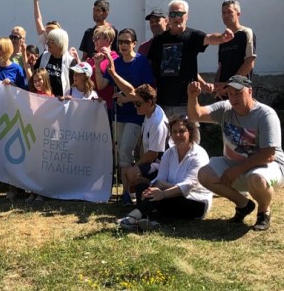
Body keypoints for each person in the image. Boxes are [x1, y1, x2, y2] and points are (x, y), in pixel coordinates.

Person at [189, 76, 284, 231]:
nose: (233, 98)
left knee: (257, 179)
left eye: (238, 93)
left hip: (269, 166)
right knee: (204, 174)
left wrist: (236, 170)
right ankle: (243, 205)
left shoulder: (266, 115)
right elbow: (196, 115)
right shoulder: (225, 109)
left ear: (250, 91)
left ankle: (263, 212)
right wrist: (192, 96)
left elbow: (268, 154)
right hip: (234, 164)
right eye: (230, 94)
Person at [117, 116, 212, 231]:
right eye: (174, 132)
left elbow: (187, 186)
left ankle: (134, 216)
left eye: (182, 131)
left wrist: (162, 194)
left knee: (158, 186)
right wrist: (149, 190)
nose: (177, 135)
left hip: (195, 203)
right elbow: (160, 177)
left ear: (190, 132)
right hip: (173, 197)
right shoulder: (169, 153)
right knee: (142, 186)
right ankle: (148, 221)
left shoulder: (199, 154)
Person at [93, 29, 155, 205]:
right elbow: (102, 84)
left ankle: (129, 193)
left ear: (134, 43)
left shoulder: (141, 62)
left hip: (136, 115)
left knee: (126, 151)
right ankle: (127, 193)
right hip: (118, 114)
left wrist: (126, 98)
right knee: (122, 155)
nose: (124, 45)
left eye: (127, 42)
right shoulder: (117, 62)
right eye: (121, 42)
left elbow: (148, 91)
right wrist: (98, 66)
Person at [100, 55, 170, 206]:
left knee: (132, 173)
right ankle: (140, 192)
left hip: (165, 165)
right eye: (134, 103)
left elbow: (152, 155)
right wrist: (113, 74)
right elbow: (131, 92)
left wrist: (135, 166)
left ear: (149, 102)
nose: (135, 106)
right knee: (133, 173)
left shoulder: (157, 122)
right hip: (155, 162)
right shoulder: (149, 111)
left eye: (138, 104)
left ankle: (153, 189)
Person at [146, 0, 233, 117]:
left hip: (186, 103)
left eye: (180, 13)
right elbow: (152, 68)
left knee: (187, 135)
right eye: (173, 14)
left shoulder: (193, 36)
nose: (177, 17)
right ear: (169, 18)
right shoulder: (159, 40)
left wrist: (222, 37)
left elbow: (209, 38)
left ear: (187, 16)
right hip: (163, 103)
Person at [0, 37, 27, 199]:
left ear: (8, 51)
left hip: (11, 116)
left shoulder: (17, 70)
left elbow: (24, 92)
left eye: (0, 49)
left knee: (11, 152)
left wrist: (14, 86)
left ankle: (12, 188)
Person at [214, 0, 256, 98]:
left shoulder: (246, 33)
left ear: (238, 14)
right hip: (223, 93)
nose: (226, 15)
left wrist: (230, 84)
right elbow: (220, 66)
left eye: (229, 12)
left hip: (240, 92)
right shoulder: (223, 38)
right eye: (223, 13)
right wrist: (217, 87)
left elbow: (249, 63)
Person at [36, 28, 73, 97]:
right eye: (48, 40)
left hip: (61, 103)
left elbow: (74, 84)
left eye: (51, 41)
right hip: (43, 99)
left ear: (60, 43)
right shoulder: (44, 55)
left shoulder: (70, 61)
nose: (47, 43)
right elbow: (35, 74)